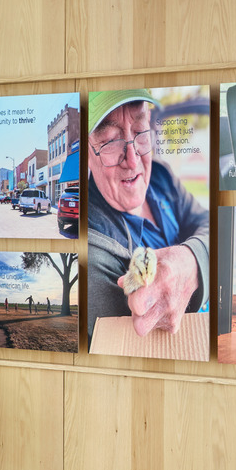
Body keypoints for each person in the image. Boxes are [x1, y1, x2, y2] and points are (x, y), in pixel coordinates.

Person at [85, 90, 209, 345]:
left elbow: (208, 222)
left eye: (141, 131)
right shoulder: (94, 251)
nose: (133, 161)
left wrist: (193, 260)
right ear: (87, 151)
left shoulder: (161, 177)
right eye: (110, 141)